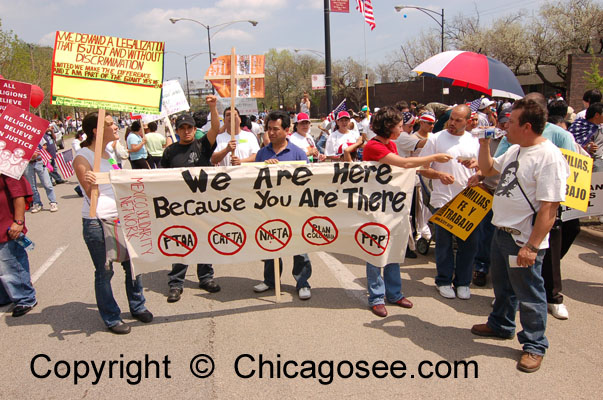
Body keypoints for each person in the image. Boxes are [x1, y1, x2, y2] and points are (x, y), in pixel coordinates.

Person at [471, 98, 569, 373]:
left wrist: (532, 247)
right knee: (502, 288)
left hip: (522, 240)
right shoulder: (516, 149)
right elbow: (489, 170)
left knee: (529, 294)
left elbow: (549, 208)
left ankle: (534, 345)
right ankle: (500, 324)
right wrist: (482, 145)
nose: (505, 125)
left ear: (526, 126)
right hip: (502, 233)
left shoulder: (549, 157)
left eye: (511, 122)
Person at [361, 106, 452, 317]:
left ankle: (394, 293)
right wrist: (434, 157)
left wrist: (435, 173)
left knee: (394, 248)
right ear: (388, 127)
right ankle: (376, 296)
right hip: (376, 206)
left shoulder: (391, 144)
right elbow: (405, 162)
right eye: (400, 125)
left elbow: (404, 170)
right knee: (376, 251)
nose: (403, 129)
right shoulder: (374, 147)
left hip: (392, 204)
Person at [73, 112, 153, 334]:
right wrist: (91, 180)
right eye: (110, 124)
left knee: (133, 265)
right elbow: (89, 193)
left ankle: (138, 306)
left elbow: (117, 179)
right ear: (97, 131)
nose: (117, 127)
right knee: (105, 271)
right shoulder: (83, 157)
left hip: (122, 217)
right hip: (97, 221)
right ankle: (111, 317)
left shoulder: (109, 153)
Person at [160, 96, 221, 302]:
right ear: (177, 131)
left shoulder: (203, 145)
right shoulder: (169, 152)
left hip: (203, 205)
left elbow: (215, 127)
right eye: (182, 128)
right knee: (181, 243)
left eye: (190, 128)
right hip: (179, 208)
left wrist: (213, 107)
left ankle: (206, 277)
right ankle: (176, 283)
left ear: (195, 130)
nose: (186, 131)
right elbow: (162, 179)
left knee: (204, 240)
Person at [418, 105, 480, 300]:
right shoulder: (436, 138)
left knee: (468, 244)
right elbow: (422, 168)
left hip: (468, 200)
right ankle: (443, 280)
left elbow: (484, 168)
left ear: (468, 122)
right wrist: (439, 174)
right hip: (442, 198)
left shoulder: (475, 141)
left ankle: (463, 282)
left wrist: (477, 171)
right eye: (451, 118)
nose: (452, 123)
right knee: (443, 243)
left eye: (458, 120)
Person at [252, 111, 314, 300]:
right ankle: (270, 280)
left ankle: (303, 282)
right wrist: (265, 167)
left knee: (298, 246)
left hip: (293, 209)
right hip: (270, 209)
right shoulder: (262, 153)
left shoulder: (297, 153)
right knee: (270, 244)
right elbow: (255, 181)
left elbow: (306, 181)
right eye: (269, 129)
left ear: (287, 130)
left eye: (275, 129)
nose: (271, 133)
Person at [0, 174, 37, 317]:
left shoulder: (6, 166)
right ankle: (4, 295)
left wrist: (19, 222)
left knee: (10, 264)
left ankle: (25, 298)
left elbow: (18, 195)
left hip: (6, 226)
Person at [24, 138, 58, 213]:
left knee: (47, 184)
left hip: (39, 161)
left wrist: (37, 153)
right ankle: (37, 203)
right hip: (27, 163)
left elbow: (44, 145)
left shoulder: (36, 134)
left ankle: (53, 202)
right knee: (32, 186)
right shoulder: (19, 136)